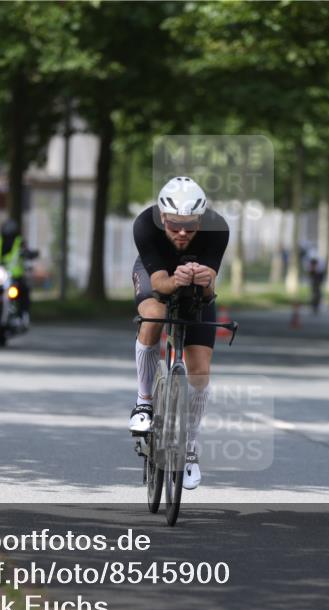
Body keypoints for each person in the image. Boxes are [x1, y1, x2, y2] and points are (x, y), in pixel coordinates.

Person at [129, 176, 229, 490]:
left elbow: (211, 286)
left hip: (196, 288)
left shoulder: (218, 227)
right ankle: (144, 401)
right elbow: (159, 283)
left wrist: (203, 278)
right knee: (155, 315)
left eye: (190, 226)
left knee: (199, 371)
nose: (183, 233)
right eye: (174, 226)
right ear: (162, 217)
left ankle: (189, 450)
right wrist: (177, 280)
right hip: (155, 274)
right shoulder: (146, 224)